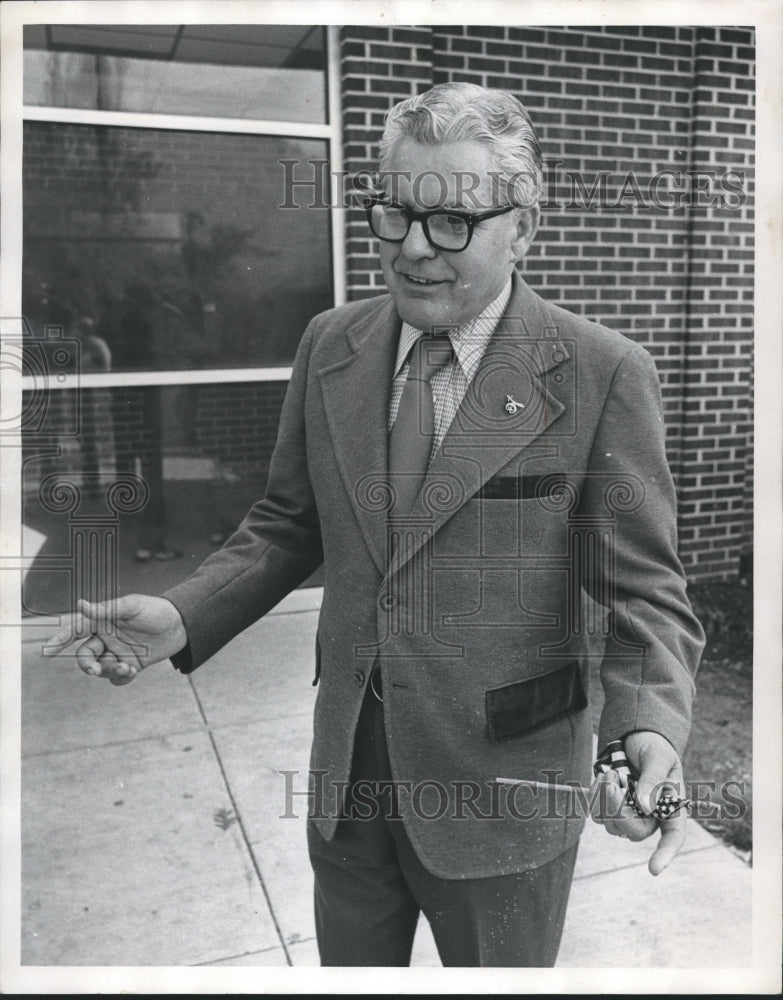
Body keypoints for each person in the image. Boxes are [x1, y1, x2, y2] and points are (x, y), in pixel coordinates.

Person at [49, 83, 704, 968]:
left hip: (503, 794)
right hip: (348, 774)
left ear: (525, 225)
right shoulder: (331, 343)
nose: (414, 250)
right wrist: (186, 614)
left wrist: (648, 731)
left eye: (451, 224)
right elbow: (288, 520)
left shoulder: (601, 374)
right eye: (392, 216)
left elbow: (643, 593)